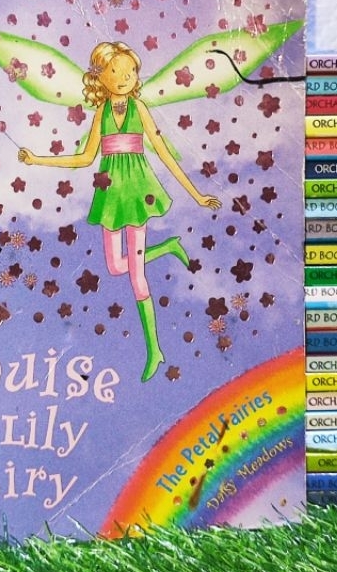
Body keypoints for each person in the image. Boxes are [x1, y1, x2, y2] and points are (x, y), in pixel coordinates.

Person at [19, 41, 221, 381]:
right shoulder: (101, 113)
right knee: (115, 266)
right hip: (110, 192)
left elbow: (162, 151)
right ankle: (168, 247)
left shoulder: (138, 108)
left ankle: (154, 350)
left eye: (131, 71)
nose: (125, 78)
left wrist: (197, 194)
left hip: (137, 191)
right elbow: (85, 158)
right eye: (116, 72)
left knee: (136, 276)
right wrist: (38, 159)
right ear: (101, 77)